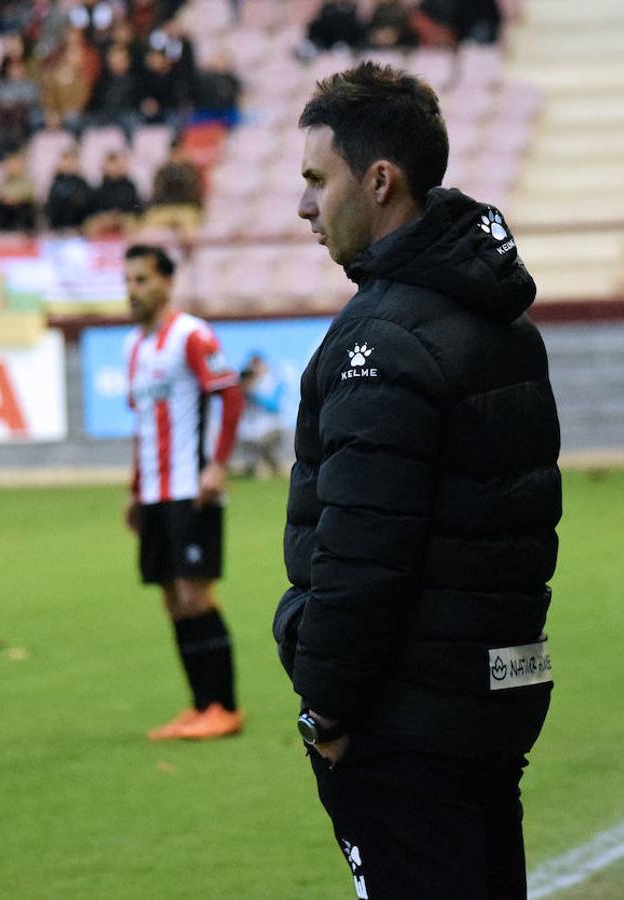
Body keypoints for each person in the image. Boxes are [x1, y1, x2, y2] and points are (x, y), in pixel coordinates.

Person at [273, 62, 561, 899]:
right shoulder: (497, 312)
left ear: (380, 180)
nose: (303, 206)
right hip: (496, 691)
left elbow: (363, 554)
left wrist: (323, 710)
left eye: (316, 180)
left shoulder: (382, 339)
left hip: (408, 719)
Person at [123, 244, 246, 741]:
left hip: (190, 488)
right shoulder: (133, 346)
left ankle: (225, 706)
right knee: (173, 599)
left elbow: (230, 395)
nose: (132, 290)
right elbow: (143, 428)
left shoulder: (191, 334)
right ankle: (199, 706)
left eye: (142, 280)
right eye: (128, 280)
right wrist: (134, 490)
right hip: (154, 492)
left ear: (166, 283)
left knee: (197, 595)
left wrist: (217, 465)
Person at [236, 352, 285, 478]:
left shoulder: (273, 381)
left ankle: (275, 468)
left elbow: (274, 406)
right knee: (245, 438)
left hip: (272, 426)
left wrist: (253, 393)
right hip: (252, 427)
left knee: (265, 443)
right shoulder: (246, 382)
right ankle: (252, 468)